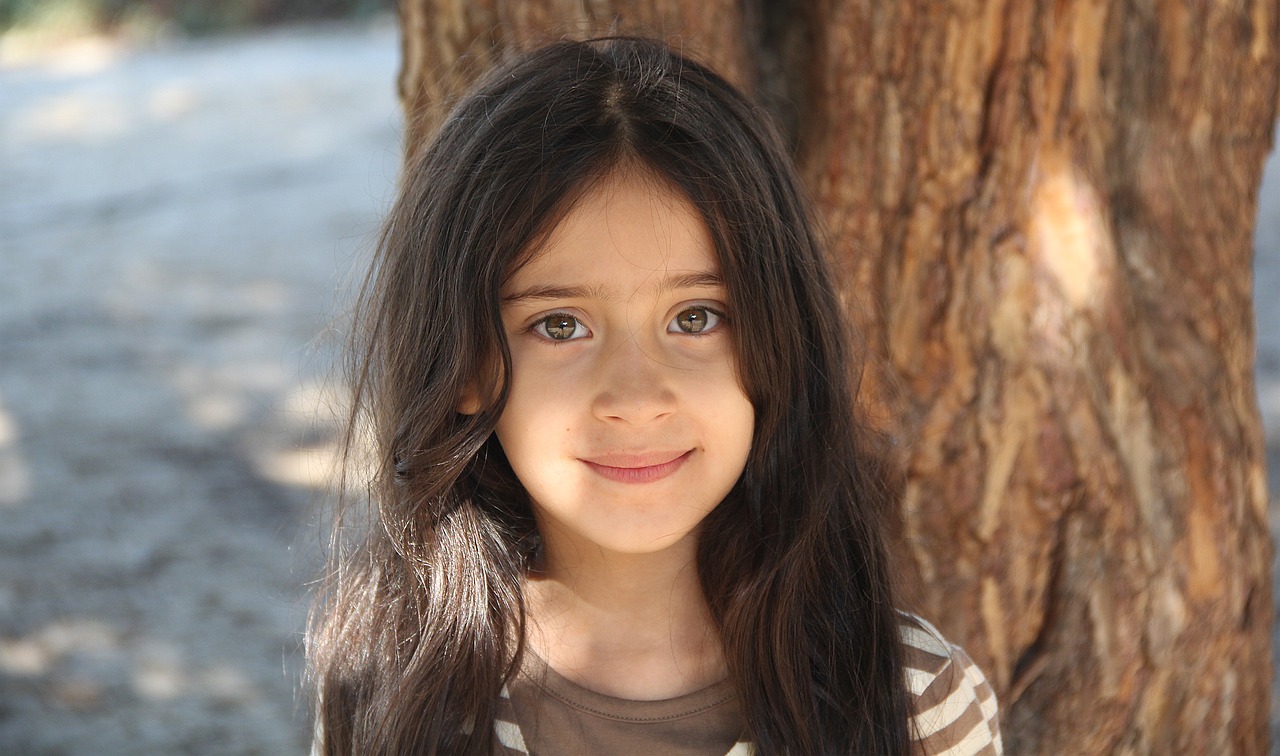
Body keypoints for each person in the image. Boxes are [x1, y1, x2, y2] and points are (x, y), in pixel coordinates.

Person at [307, 35, 1002, 755]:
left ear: (777, 344)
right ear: (467, 369)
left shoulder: (913, 703)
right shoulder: (394, 691)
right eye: (560, 325)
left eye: (695, 318)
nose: (637, 399)